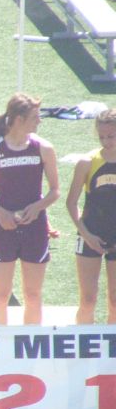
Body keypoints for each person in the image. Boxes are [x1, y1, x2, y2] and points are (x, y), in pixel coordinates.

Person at [0, 93, 60, 326]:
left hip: (35, 227)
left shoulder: (43, 148)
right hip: (3, 228)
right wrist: (1, 213)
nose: (39, 121)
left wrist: (37, 207)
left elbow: (55, 191)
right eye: (34, 117)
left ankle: (32, 347)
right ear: (19, 119)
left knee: (33, 294)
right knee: (1, 294)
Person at [66, 108, 116, 324]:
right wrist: (86, 235)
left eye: (111, 136)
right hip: (90, 233)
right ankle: (82, 351)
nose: (106, 141)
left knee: (115, 301)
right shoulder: (87, 162)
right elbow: (71, 203)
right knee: (88, 299)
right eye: (102, 137)